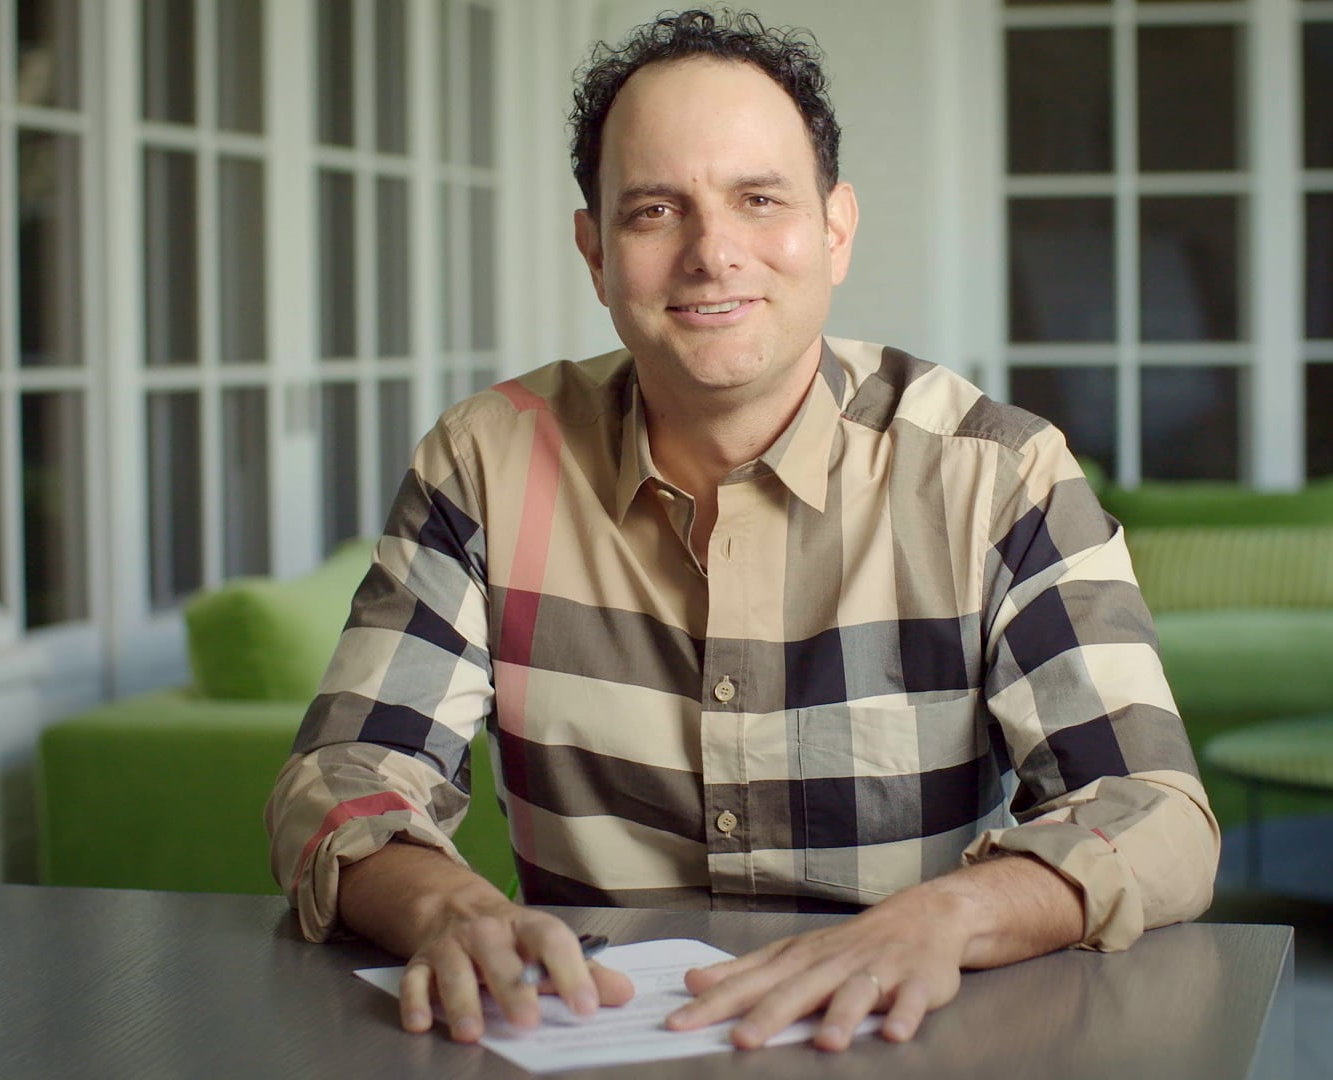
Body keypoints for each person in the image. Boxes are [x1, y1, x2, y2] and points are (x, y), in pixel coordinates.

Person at [265, 8, 1219, 1054]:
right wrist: (446, 906)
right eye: (654, 211)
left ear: (835, 229)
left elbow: (1153, 813)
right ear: (594, 251)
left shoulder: (997, 474)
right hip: (585, 1041)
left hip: (904, 1042)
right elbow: (342, 777)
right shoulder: (485, 463)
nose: (712, 254)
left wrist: (949, 915)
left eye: (759, 200)